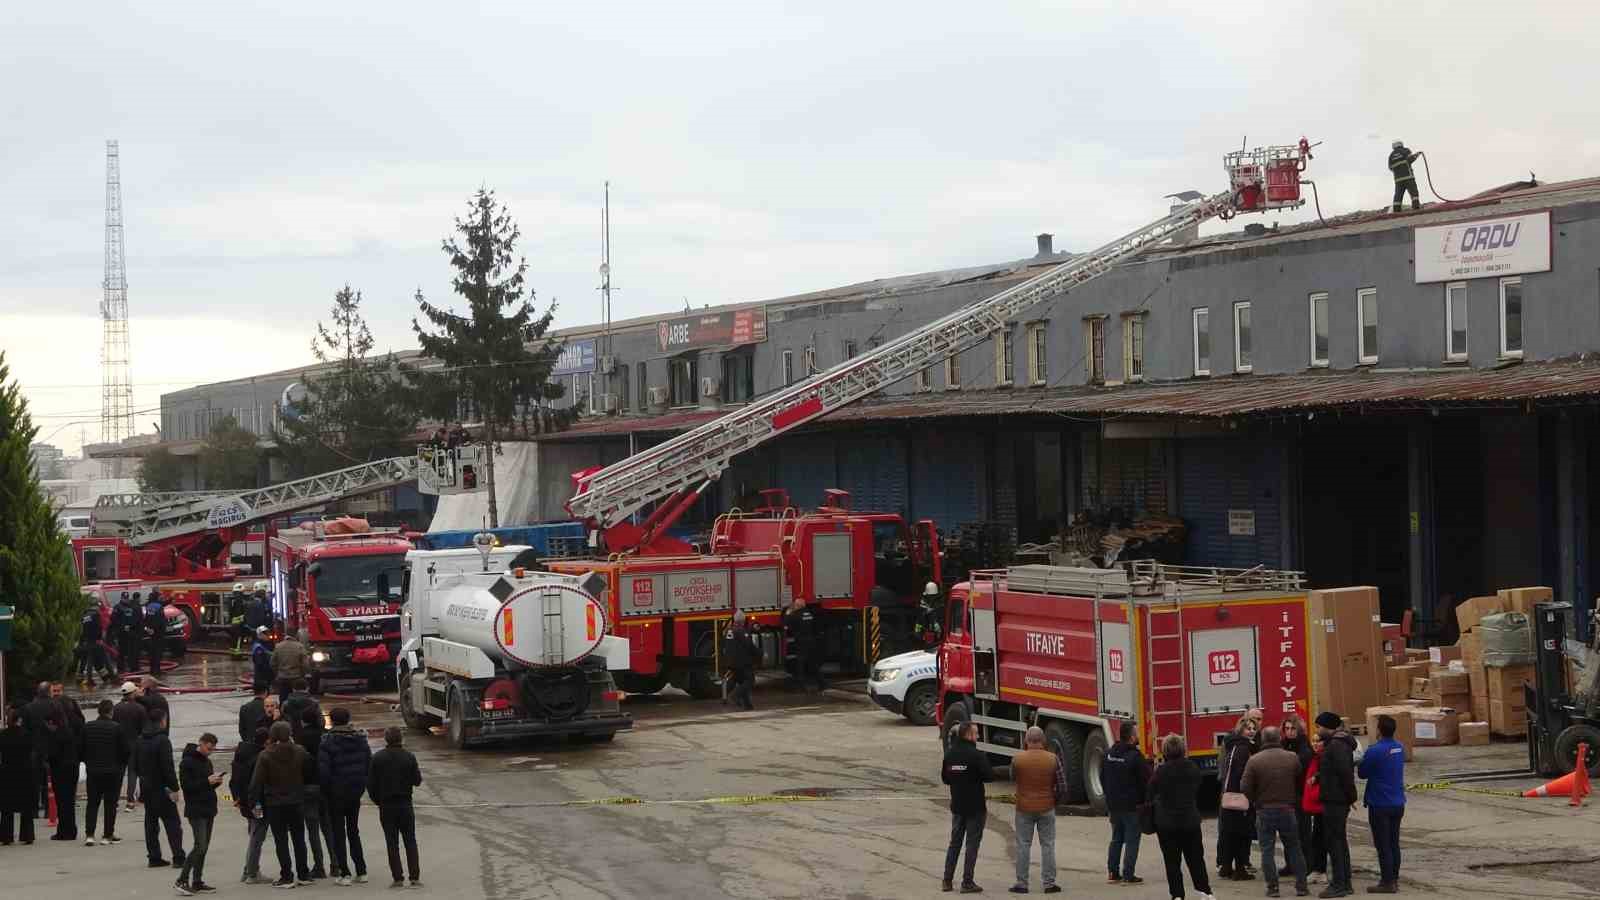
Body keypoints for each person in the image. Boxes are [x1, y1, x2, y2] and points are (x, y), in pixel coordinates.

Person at [1242, 726, 1309, 898]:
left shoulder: (1255, 760)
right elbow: (1299, 778)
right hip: (1288, 809)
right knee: (1295, 848)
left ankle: (1273, 888)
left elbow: (1245, 787)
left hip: (1264, 810)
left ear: (1263, 740)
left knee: (1267, 851)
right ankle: (1302, 886)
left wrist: (1255, 800)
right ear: (1279, 738)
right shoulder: (1292, 758)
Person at [1150, 733, 1216, 900]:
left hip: (1167, 824)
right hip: (1190, 821)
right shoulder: (1192, 768)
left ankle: (1177, 895)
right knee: (1196, 859)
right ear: (1183, 749)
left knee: (1172, 862)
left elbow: (1150, 792)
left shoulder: (1161, 772)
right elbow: (1198, 787)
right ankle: (1205, 892)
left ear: (1165, 751)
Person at [251, 720, 312, 888]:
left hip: (275, 802)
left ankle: (287, 876)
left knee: (281, 840)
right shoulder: (300, 751)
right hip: (297, 800)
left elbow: (256, 782)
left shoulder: (265, 755)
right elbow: (309, 771)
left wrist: (254, 803)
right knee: (299, 838)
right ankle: (304, 874)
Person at [319, 707, 373, 885]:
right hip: (355, 791)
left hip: (336, 792)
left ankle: (344, 872)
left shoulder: (327, 742)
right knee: (353, 831)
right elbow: (368, 765)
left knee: (338, 832)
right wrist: (362, 784)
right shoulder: (360, 740)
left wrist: (326, 791)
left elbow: (324, 771)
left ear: (332, 721)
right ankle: (361, 870)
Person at [940, 719, 993, 893]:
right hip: (976, 807)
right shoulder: (977, 755)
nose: (978, 736)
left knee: (954, 843)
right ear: (969, 735)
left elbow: (945, 779)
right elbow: (988, 776)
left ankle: (947, 881)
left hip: (957, 806)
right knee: (972, 844)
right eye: (976, 733)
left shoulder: (949, 755)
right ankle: (967, 882)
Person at [1009, 725, 1063, 895]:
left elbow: (1012, 777)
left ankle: (1022, 883)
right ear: (1043, 741)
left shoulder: (1018, 759)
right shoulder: (1053, 759)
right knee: (1048, 845)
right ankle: (1049, 883)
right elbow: (1062, 785)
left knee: (1023, 845)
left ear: (1026, 740)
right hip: (1046, 806)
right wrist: (1054, 801)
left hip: (1024, 807)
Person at [369, 726, 423, 889]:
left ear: (386, 739)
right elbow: (417, 781)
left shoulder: (377, 758)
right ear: (401, 739)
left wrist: (379, 801)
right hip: (405, 803)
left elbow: (371, 785)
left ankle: (397, 877)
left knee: (391, 842)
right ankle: (414, 877)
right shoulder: (409, 757)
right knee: (410, 840)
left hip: (387, 805)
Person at [1358, 714, 1406, 894]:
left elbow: (1362, 773)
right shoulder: (1399, 747)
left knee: (1383, 844)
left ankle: (1387, 882)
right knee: (1394, 843)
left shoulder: (1374, 750)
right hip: (1397, 802)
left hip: (1380, 804)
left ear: (1379, 730)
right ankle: (1394, 878)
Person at [1314, 711, 1358, 899]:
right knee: (1338, 842)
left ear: (1328, 726)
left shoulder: (1337, 745)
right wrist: (1318, 777)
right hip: (1335, 799)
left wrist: (1351, 797)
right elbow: (1334, 770)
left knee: (1336, 843)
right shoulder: (1336, 744)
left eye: (1319, 726)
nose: (1318, 730)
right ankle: (1344, 882)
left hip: (1336, 801)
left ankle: (1339, 884)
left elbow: (1344, 773)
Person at [1102, 719, 1149, 885]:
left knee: (1116, 838)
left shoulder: (1108, 754)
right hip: (1131, 806)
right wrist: (1144, 802)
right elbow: (1146, 781)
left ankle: (1113, 873)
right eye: (1136, 733)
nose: (1138, 736)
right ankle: (1128, 874)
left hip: (1113, 805)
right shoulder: (1136, 757)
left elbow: (1103, 778)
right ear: (1131, 737)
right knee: (1131, 840)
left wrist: (1109, 796)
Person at [176, 732, 224, 895]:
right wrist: (207, 781)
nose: (210, 751)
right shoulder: (187, 763)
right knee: (200, 845)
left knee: (204, 847)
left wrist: (215, 782)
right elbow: (187, 787)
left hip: (209, 808)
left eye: (213, 749)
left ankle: (197, 881)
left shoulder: (207, 762)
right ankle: (182, 880)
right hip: (196, 810)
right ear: (201, 743)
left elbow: (206, 786)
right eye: (209, 748)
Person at [138, 708, 186, 868]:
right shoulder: (163, 740)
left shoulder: (140, 739)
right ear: (162, 720)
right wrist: (174, 787)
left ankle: (154, 856)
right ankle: (178, 856)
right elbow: (168, 767)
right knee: (172, 822)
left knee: (151, 823)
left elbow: (136, 764)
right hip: (162, 787)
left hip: (146, 786)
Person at [82, 698, 130, 846]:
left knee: (92, 803)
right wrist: (121, 764)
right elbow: (125, 751)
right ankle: (107, 835)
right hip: (112, 771)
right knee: (110, 803)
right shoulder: (117, 728)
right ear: (111, 712)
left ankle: (89, 835)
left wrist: (88, 762)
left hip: (93, 771)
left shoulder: (88, 727)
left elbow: (81, 748)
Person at [1217, 713, 1258, 880]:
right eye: (1248, 728)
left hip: (1228, 795)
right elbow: (1242, 774)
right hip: (1239, 796)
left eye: (1254, 728)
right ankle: (1240, 869)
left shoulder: (1232, 745)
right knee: (1241, 833)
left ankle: (1226, 866)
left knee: (1228, 833)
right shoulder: (1243, 748)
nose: (1252, 731)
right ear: (1240, 729)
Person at [1280, 715, 1320, 881]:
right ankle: (1290, 864)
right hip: (1287, 795)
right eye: (1287, 728)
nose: (1289, 732)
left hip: (1300, 795)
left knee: (1302, 833)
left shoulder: (1304, 748)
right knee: (1287, 833)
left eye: (1292, 728)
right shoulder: (1284, 745)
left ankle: (1307, 865)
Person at [232, 725, 271, 885]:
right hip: (257, 803)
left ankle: (248, 870)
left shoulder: (241, 753)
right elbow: (258, 784)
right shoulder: (260, 758)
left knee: (253, 835)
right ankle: (252, 873)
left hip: (245, 802)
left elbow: (234, 780)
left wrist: (237, 798)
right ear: (267, 741)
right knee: (257, 837)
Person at [47, 682, 86, 841]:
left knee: (62, 799)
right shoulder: (77, 723)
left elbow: (54, 749)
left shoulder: (59, 729)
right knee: (70, 797)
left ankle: (64, 830)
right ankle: (70, 829)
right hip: (73, 762)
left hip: (60, 765)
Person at [295, 709, 330, 879]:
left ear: (303, 721)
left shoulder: (301, 737)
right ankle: (336, 864)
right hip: (326, 786)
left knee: (313, 830)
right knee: (328, 828)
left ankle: (319, 865)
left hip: (308, 786)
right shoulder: (326, 735)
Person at [0, 706, 37, 845]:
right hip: (25, 772)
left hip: (7, 772)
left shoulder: (3, 735)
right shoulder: (26, 734)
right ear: (19, 720)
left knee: (6, 808)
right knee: (26, 806)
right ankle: (27, 835)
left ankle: (6, 836)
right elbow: (32, 751)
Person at [115, 681, 148, 811]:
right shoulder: (140, 708)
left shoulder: (116, 708)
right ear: (133, 693)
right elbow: (144, 729)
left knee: (119, 772)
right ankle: (130, 801)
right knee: (132, 773)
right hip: (134, 745)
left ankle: (115, 799)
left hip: (119, 746)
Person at [23, 682, 53, 815]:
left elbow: (25, 730)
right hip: (50, 748)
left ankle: (34, 809)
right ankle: (48, 809)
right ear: (48, 692)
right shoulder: (54, 705)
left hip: (34, 748)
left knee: (34, 780)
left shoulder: (29, 707)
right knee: (48, 780)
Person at [1300, 732, 1328, 882]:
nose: (1316, 744)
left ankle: (1321, 870)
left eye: (1319, 741)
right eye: (1314, 741)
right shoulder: (1315, 757)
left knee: (1322, 838)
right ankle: (1318, 869)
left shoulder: (1324, 758)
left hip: (1322, 804)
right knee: (1317, 837)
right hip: (1317, 805)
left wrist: (1316, 778)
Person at [785, 599, 824, 693]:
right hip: (811, 642)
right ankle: (822, 683)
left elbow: (786, 626)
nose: (793, 606)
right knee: (813, 664)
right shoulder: (809, 614)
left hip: (801, 643)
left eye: (794, 605)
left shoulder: (794, 615)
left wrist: (788, 613)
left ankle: (801, 687)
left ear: (797, 605)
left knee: (800, 666)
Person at [722, 611, 759, 711]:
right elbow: (749, 646)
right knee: (750, 680)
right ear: (742, 621)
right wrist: (759, 653)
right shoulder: (741, 631)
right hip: (741, 662)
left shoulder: (728, 630)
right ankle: (734, 695)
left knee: (742, 680)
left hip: (730, 661)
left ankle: (748, 705)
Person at [114, 591, 145, 675]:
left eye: (127, 598)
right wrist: (121, 627)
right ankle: (121, 667)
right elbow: (114, 620)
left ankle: (131, 666)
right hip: (121, 632)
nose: (126, 600)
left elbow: (132, 619)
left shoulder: (130, 607)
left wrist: (129, 626)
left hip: (129, 632)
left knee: (131, 650)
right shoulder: (117, 607)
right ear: (121, 598)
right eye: (124, 598)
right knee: (121, 650)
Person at [272, 632, 308, 703]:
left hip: (282, 677)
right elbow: (305, 664)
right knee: (296, 698)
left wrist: (277, 673)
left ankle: (283, 711)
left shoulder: (278, 646)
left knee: (283, 697)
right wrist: (302, 675)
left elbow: (272, 663)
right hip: (296, 677)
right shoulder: (300, 646)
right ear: (296, 635)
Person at [1388, 141, 1422, 213]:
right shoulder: (1405, 150)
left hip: (1398, 179)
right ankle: (1416, 208)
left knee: (1398, 195)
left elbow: (1390, 167)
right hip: (1408, 177)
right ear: (1401, 145)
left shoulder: (1391, 155)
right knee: (1414, 193)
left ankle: (1396, 211)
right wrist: (1417, 155)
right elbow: (1410, 159)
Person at [144, 590, 168, 676]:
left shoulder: (148, 606)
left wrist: (148, 628)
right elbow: (161, 620)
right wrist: (163, 629)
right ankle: (157, 670)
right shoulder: (159, 606)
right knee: (158, 652)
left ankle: (152, 670)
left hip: (150, 631)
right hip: (158, 632)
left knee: (152, 652)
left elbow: (146, 618)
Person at [251, 627, 276, 691]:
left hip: (268, 675)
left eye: (268, 633)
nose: (268, 635)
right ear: (260, 635)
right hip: (262, 676)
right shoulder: (258, 647)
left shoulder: (269, 643)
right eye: (265, 634)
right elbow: (260, 663)